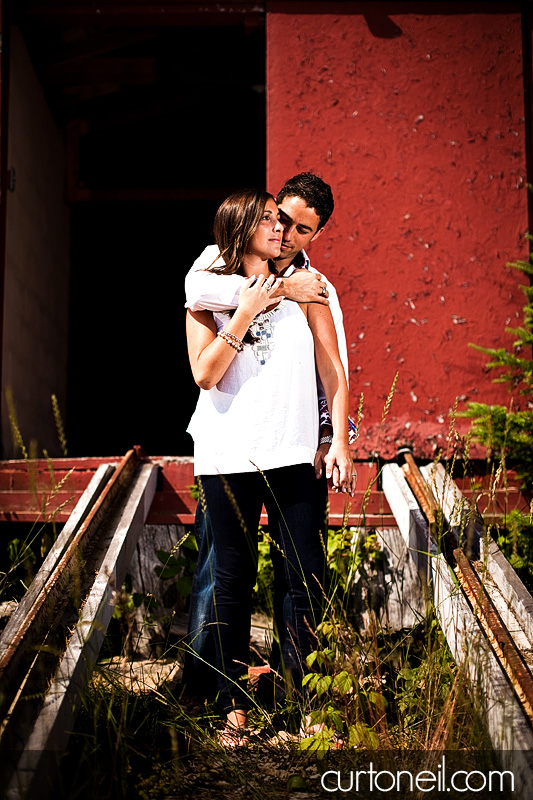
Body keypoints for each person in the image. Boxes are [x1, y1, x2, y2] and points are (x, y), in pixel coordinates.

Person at [185, 188, 352, 744]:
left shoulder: (313, 287)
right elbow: (205, 374)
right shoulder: (209, 279)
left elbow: (333, 368)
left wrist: (339, 441)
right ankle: (232, 707)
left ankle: (307, 705)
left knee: (303, 579)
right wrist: (258, 302)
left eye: (292, 226)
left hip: (293, 453)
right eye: (272, 220)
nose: (281, 230)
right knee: (230, 581)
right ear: (243, 228)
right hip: (229, 454)